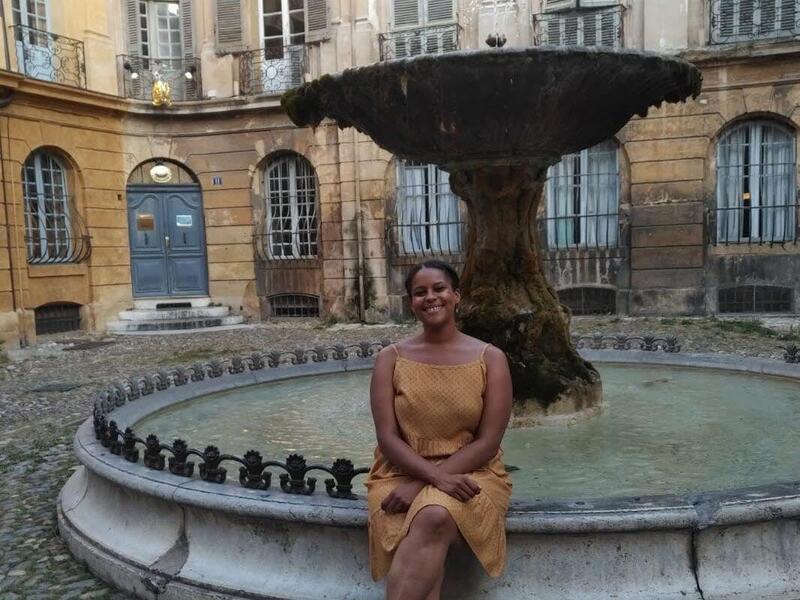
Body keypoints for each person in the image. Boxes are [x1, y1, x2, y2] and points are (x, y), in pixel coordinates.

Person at [366, 259, 513, 600]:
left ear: (456, 295)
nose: (430, 298)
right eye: (420, 293)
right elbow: (387, 437)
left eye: (439, 289)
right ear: (411, 303)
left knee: (433, 512)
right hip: (397, 472)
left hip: (473, 473)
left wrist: (428, 481)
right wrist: (430, 478)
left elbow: (489, 442)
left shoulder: (490, 358)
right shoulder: (391, 358)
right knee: (433, 516)